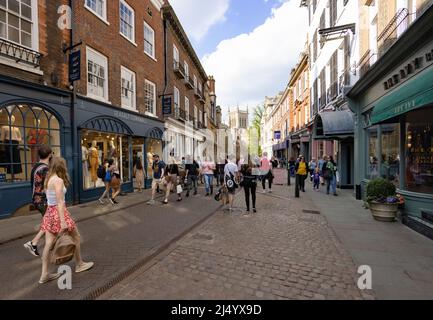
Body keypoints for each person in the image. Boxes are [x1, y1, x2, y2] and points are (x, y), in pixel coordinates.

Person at [39, 157, 94, 284]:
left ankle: (44, 274)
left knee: (48, 244)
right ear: (61, 166)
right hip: (59, 213)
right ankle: (79, 264)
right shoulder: (58, 180)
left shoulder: (48, 179)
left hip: (50, 213)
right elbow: (59, 201)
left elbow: (50, 200)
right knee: (76, 237)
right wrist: (63, 221)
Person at [24, 145, 53, 257]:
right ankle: (33, 243)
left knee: (49, 221)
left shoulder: (36, 166)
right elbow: (48, 187)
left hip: (37, 199)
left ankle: (49, 245)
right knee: (50, 221)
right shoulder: (45, 169)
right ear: (50, 154)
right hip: (43, 200)